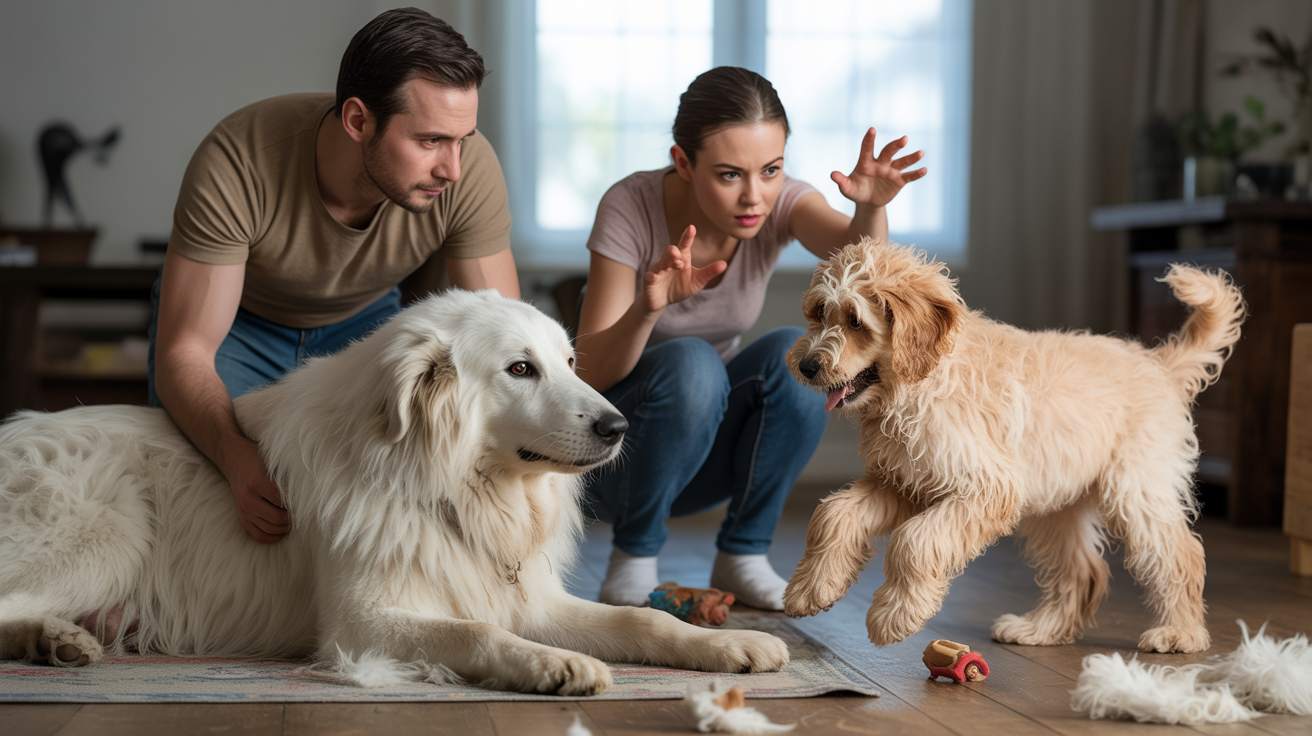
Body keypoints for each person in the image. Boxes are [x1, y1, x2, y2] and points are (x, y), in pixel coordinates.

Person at [149, 8, 519, 545]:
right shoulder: (238, 160)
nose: (453, 169)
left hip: (363, 326)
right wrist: (234, 457)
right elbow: (185, 352)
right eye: (430, 141)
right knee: (206, 498)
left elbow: (501, 337)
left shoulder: (467, 170)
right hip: (240, 328)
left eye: (462, 139)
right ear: (357, 120)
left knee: (375, 495)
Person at [576, 66, 926, 610]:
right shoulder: (630, 206)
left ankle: (742, 553)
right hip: (614, 459)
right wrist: (649, 308)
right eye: (729, 175)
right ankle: (633, 557)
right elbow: (586, 375)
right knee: (693, 361)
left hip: (704, 456)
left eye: (771, 170)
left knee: (798, 356)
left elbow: (861, 259)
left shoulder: (778, 202)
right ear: (684, 163)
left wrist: (871, 207)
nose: (754, 197)